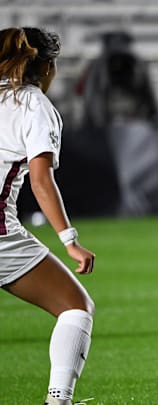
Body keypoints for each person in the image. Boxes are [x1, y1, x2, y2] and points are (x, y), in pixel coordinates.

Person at [0, 27, 96, 405]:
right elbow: (41, 181)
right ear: (49, 67)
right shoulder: (33, 105)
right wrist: (69, 240)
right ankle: (59, 399)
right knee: (76, 307)